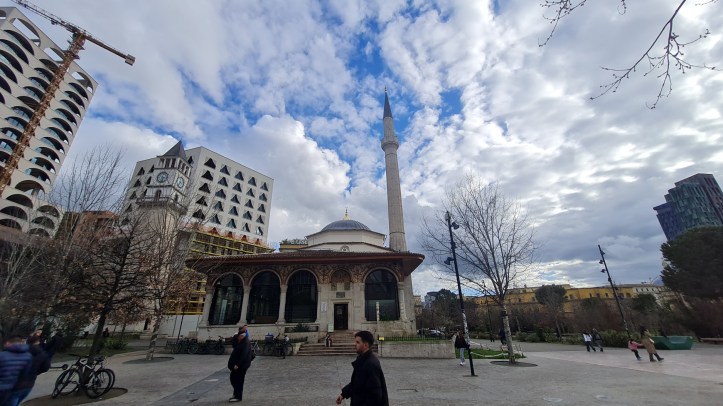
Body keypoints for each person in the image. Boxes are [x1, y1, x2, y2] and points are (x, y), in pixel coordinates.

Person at [336, 330, 388, 406]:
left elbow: (375, 395)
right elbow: (356, 383)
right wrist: (343, 394)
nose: (355, 344)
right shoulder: (362, 360)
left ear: (365, 345)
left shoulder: (371, 364)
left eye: (358, 342)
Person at [8, 335, 50, 406]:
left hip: (15, 383)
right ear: (38, 343)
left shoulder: (18, 352)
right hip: (29, 384)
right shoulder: (43, 354)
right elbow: (45, 368)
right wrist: (35, 372)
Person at [0, 335, 32, 405]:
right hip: (10, 387)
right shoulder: (28, 356)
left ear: (8, 343)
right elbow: (25, 373)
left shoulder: (2, 355)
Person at [227, 325, 254, 402]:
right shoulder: (241, 341)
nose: (238, 338)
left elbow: (244, 355)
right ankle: (236, 394)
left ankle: (238, 396)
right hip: (239, 365)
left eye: (239, 336)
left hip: (241, 365)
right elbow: (234, 344)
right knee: (233, 378)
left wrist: (238, 364)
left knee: (238, 380)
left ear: (242, 336)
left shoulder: (245, 343)